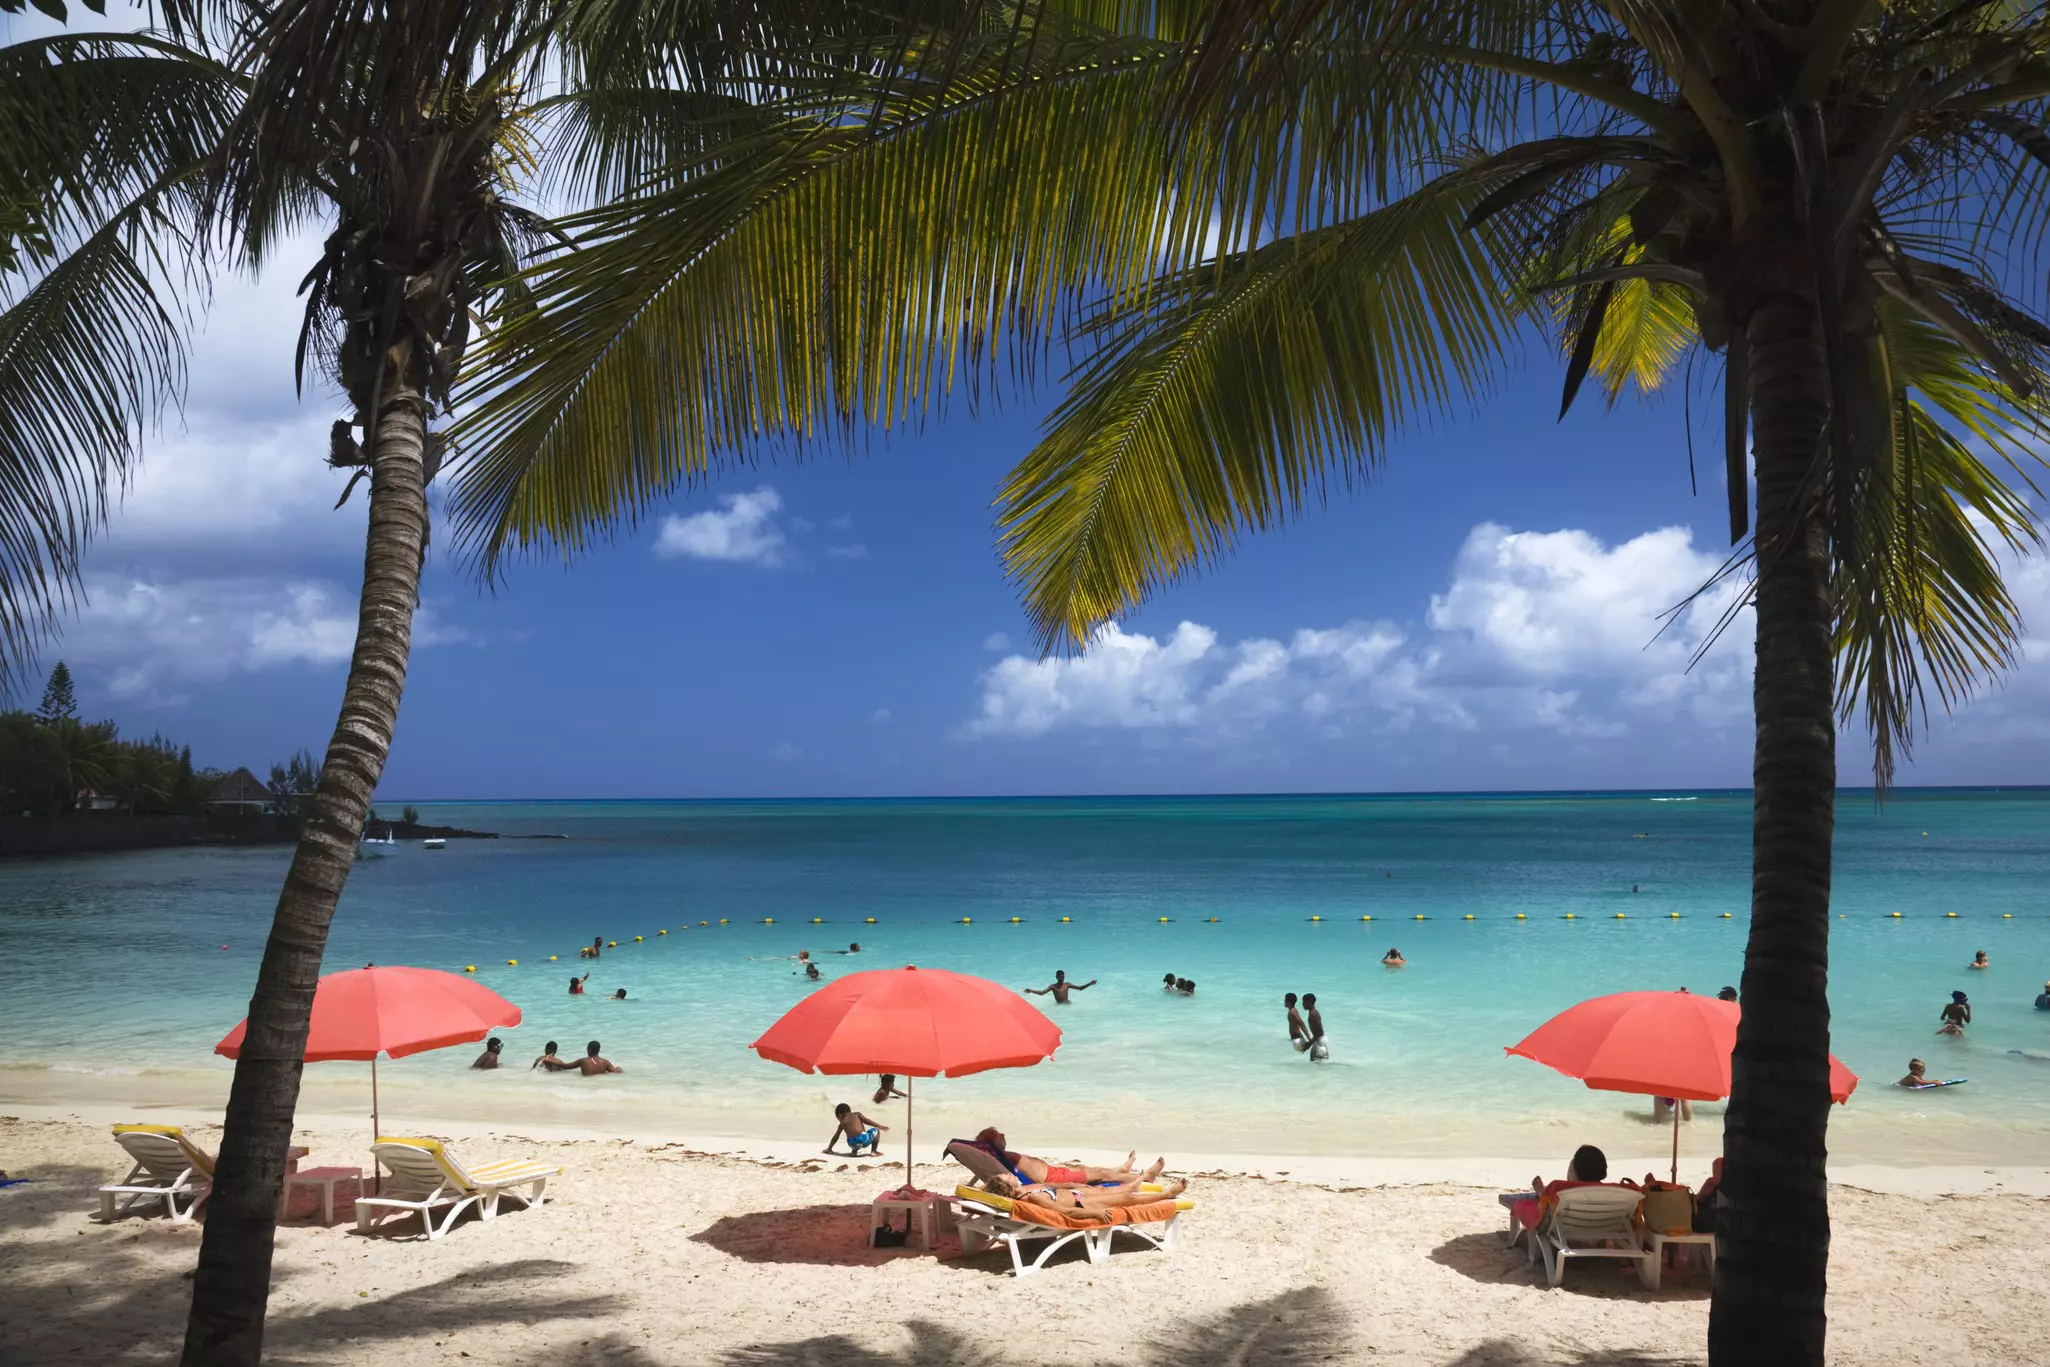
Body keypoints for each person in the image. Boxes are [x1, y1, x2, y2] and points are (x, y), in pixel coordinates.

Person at [963, 1127, 1159, 1186]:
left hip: (1053, 1172)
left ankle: (1122, 1169)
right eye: (1000, 1135)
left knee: (1093, 1171)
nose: (1004, 1135)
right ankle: (1143, 1177)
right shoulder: (1005, 1157)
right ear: (994, 1143)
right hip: (1053, 1178)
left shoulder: (1000, 1159)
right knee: (1100, 1175)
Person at [990, 1172, 1188, 1212]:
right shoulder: (1030, 1197)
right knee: (1124, 1200)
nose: (1010, 1173)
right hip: (1078, 1204)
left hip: (1076, 1196)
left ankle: (1132, 1185)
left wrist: (1070, 1186)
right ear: (1008, 1188)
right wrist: (1093, 1213)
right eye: (1007, 1177)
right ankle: (1166, 1195)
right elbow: (1063, 1211)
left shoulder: (1024, 1189)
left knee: (1102, 1189)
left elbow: (1051, 1187)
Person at [1025, 969, 1097, 1005]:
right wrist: (1031, 990)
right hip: (1059, 1007)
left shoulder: (1067, 984)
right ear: (1056, 977)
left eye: (1063, 977)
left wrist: (1090, 983)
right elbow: (1042, 993)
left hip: (1068, 1004)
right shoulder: (1053, 986)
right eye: (1060, 977)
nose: (1062, 978)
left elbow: (1080, 988)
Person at [1303, 992, 1328, 1061]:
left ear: (1310, 1002)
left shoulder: (1313, 1014)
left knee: (1317, 1065)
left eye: (1304, 1002)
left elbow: (1319, 1032)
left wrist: (1309, 1044)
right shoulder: (1313, 1012)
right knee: (1318, 1066)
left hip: (1319, 1041)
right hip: (1320, 1041)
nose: (1302, 1004)